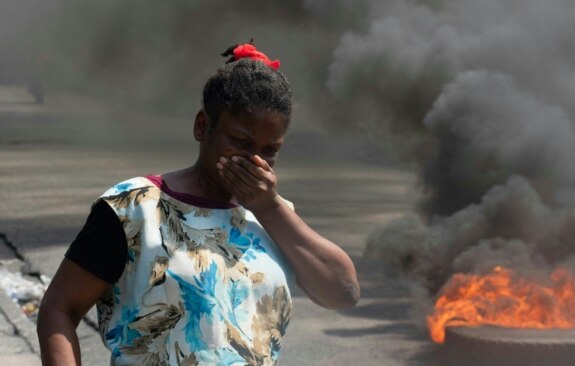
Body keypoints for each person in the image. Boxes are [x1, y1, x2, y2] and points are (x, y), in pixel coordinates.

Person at [37, 43, 360, 366]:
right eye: (241, 143)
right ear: (202, 127)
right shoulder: (133, 208)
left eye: (270, 150)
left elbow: (343, 291)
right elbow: (59, 309)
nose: (255, 160)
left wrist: (269, 207)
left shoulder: (274, 218)